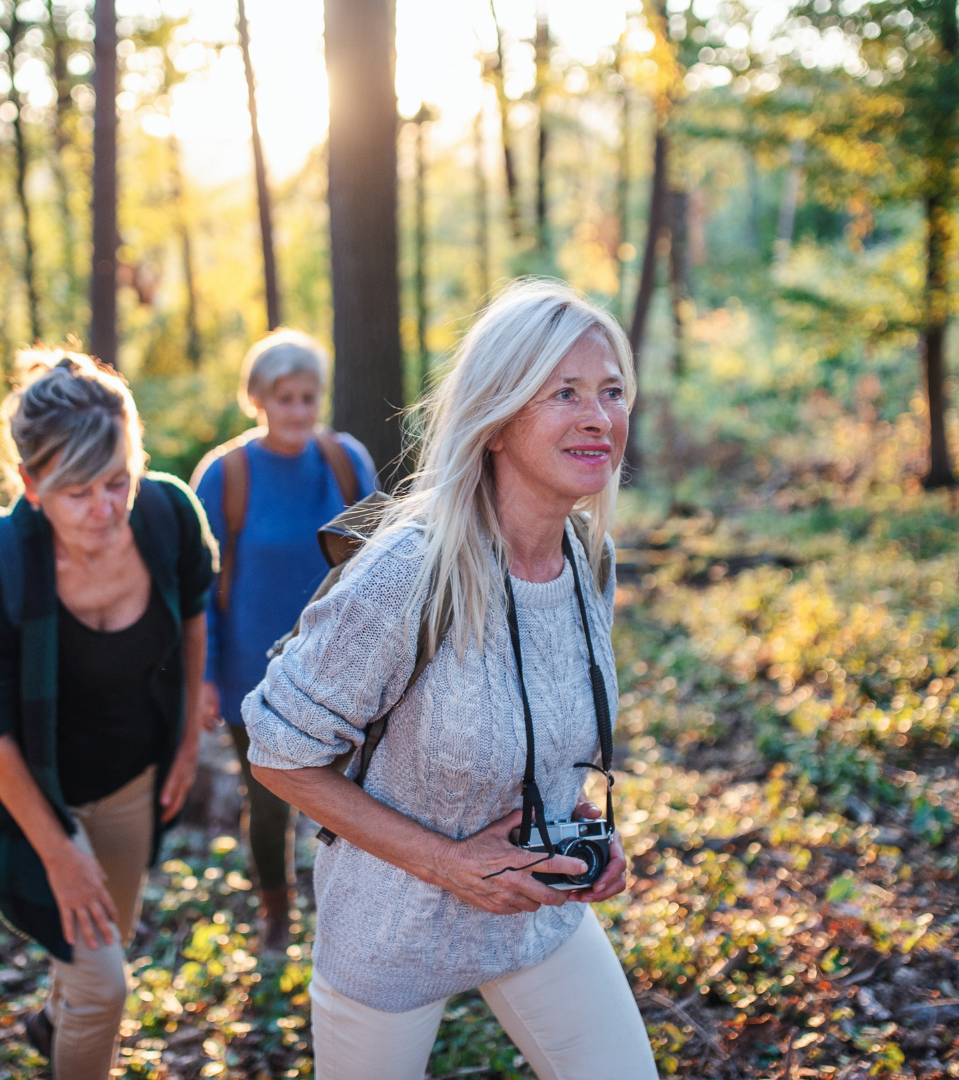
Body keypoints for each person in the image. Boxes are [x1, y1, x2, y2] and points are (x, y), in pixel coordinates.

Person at [243, 281, 658, 1080]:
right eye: (563, 393)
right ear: (497, 420)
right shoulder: (407, 573)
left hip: (536, 915)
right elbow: (274, 750)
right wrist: (447, 862)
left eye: (611, 392)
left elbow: (545, 722)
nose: (598, 417)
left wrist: (580, 827)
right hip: (390, 938)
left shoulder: (586, 559)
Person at [0, 350, 217, 1080]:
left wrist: (189, 735)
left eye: (117, 481)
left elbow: (193, 616)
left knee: (103, 941)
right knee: (104, 982)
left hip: (134, 776)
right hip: (35, 797)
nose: (105, 508)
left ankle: (51, 1023)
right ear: (31, 486)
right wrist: (62, 854)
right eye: (78, 492)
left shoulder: (166, 516)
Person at [191, 329, 376, 951]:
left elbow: (382, 564)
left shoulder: (347, 462)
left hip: (341, 667)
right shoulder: (225, 475)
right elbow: (200, 587)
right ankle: (276, 915)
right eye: (285, 398)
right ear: (260, 400)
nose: (298, 411)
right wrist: (205, 676)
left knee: (352, 801)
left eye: (308, 397)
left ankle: (346, 918)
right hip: (255, 672)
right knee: (270, 801)